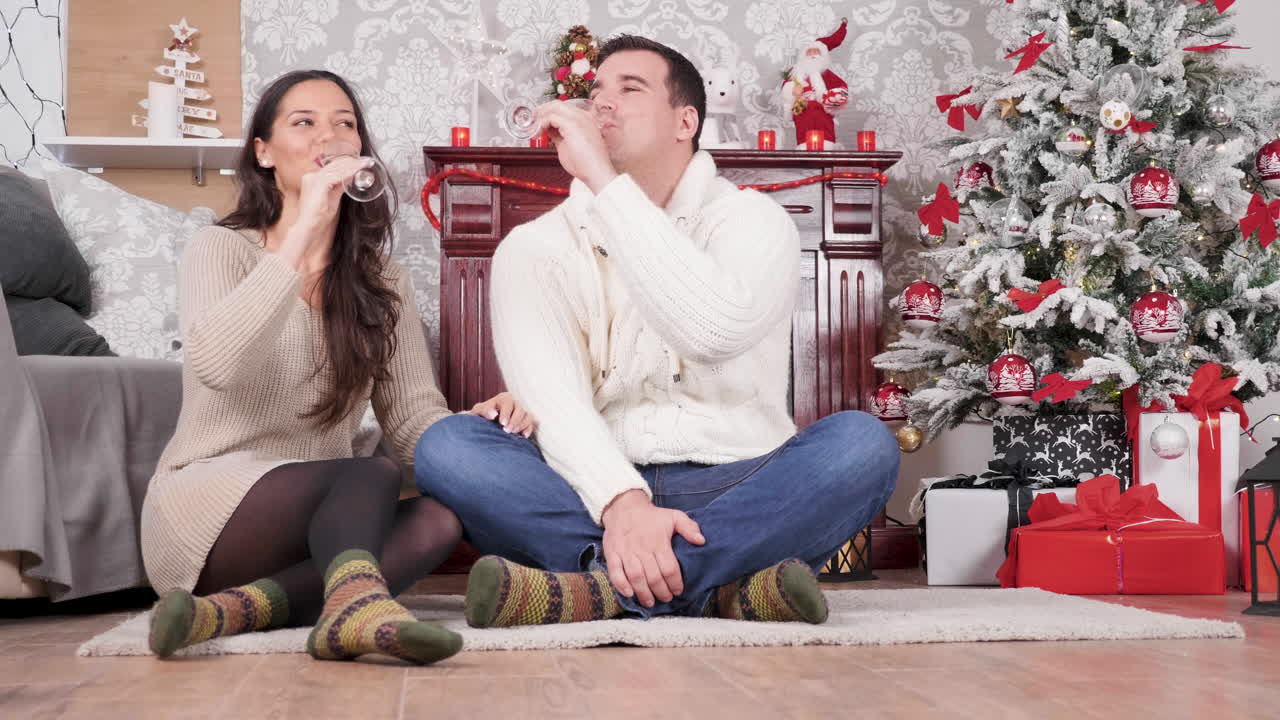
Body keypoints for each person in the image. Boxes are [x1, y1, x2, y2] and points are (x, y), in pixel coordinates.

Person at [414, 35, 899, 628]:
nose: (602, 105)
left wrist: (602, 180)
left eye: (630, 88)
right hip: (591, 489)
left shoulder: (755, 220)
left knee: (862, 447)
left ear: (685, 121)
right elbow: (555, 402)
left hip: (737, 482)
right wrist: (622, 501)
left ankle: (597, 590)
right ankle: (723, 588)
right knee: (447, 447)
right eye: (595, 92)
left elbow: (710, 331)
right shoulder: (534, 247)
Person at [139, 70, 533, 664]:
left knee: (439, 520)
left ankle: (234, 612)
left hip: (320, 517)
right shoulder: (219, 248)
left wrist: (470, 431)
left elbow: (411, 422)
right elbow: (218, 365)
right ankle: (355, 606)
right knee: (366, 474)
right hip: (206, 509)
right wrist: (303, 234)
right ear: (264, 153)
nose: (330, 136)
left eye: (344, 124)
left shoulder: (381, 281)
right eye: (305, 123)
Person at [780, 19, 851, 148]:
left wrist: (833, 97)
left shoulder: (826, 74)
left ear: (822, 56)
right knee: (803, 130)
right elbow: (786, 89)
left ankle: (827, 145)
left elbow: (842, 88)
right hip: (802, 109)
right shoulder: (795, 73)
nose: (812, 55)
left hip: (822, 111)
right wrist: (792, 91)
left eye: (816, 52)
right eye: (809, 52)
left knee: (825, 132)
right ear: (803, 56)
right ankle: (803, 145)